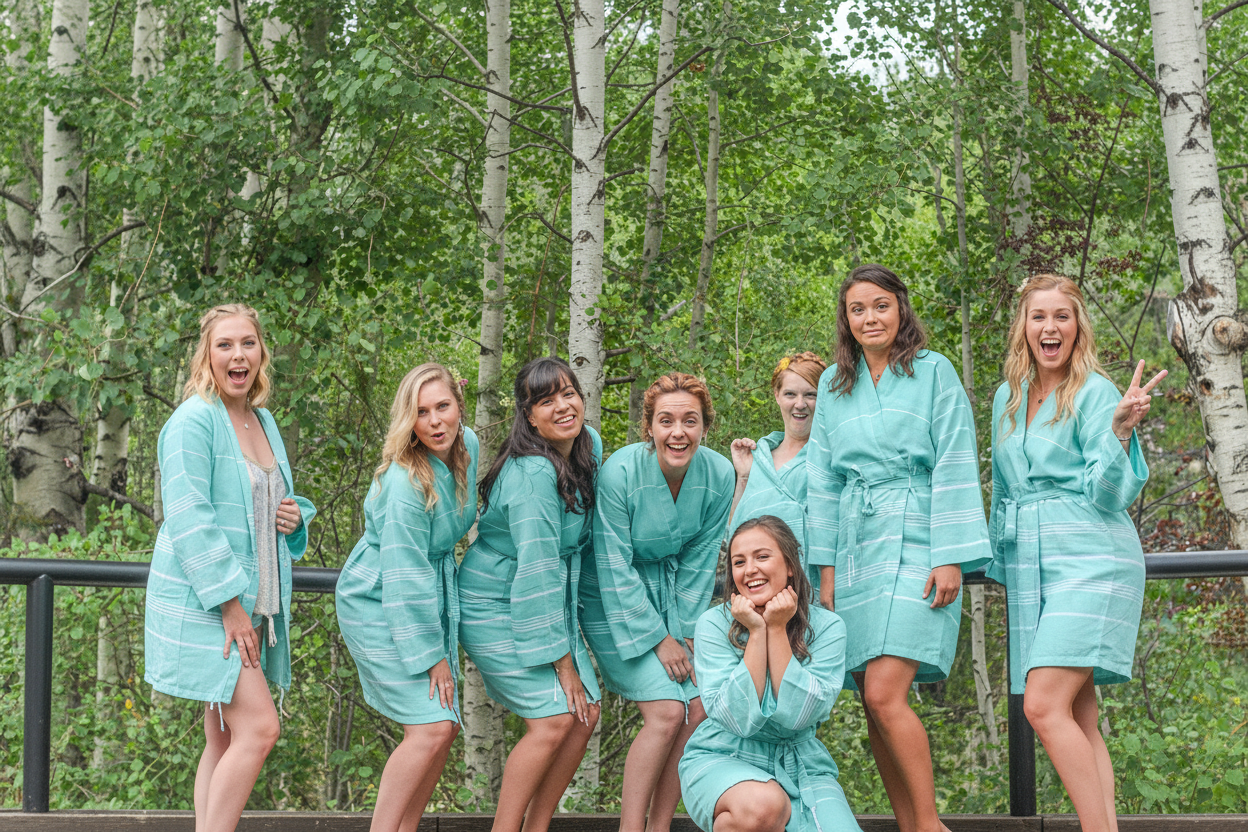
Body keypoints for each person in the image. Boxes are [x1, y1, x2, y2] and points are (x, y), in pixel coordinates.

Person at [806, 264, 991, 832]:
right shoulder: (835, 385)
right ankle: (910, 824)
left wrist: (950, 554)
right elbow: (822, 480)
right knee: (869, 699)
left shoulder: (934, 373)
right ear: (846, 319)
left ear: (901, 309)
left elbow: (958, 459)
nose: (869, 318)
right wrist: (826, 572)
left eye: (880, 305)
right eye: (857, 309)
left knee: (887, 693)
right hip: (858, 545)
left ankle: (930, 823)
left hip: (921, 533)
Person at [987, 274, 1164, 832]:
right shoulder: (1007, 397)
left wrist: (1116, 433)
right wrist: (997, 564)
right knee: (1079, 716)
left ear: (1077, 325)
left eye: (1061, 316)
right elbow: (1003, 489)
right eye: (1039, 316)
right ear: (1024, 327)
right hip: (1033, 561)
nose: (1050, 327)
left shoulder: (1095, 392)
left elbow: (1108, 496)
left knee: (1041, 705)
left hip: (1092, 554)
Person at [144, 304, 316, 832]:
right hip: (214, 605)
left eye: (248, 343)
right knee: (261, 730)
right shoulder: (192, 421)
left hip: (252, 605)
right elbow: (190, 517)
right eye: (225, 345)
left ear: (262, 352)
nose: (237, 355)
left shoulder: (261, 419)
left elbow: (262, 499)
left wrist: (294, 513)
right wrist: (231, 608)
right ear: (207, 356)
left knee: (222, 737)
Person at [579, 372, 735, 832]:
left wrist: (685, 630)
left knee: (700, 707)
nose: (678, 432)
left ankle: (660, 824)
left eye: (690, 421)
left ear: (705, 426)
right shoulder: (620, 472)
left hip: (673, 601)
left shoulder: (719, 473)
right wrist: (659, 639)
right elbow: (611, 561)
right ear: (648, 427)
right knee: (667, 711)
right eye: (666, 421)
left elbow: (702, 559)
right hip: (611, 598)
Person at [458, 357, 602, 832]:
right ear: (529, 415)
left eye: (569, 393)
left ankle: (537, 826)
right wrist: (564, 663)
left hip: (543, 604)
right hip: (492, 603)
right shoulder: (533, 475)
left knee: (584, 715)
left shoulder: (586, 447)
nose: (563, 407)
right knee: (555, 719)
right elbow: (537, 569)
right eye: (546, 401)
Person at [336, 363, 478, 832]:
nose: (436, 421)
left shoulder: (468, 449)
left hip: (424, 594)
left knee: (445, 726)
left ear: (459, 405)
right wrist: (432, 656)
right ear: (408, 421)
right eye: (422, 412)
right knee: (431, 726)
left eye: (443, 407)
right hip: (379, 599)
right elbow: (404, 573)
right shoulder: (404, 483)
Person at [679, 515, 860, 832]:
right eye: (739, 561)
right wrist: (756, 632)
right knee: (764, 807)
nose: (749, 570)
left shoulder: (829, 628)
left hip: (802, 763)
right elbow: (735, 718)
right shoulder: (712, 625)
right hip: (723, 754)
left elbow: (800, 715)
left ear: (790, 564)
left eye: (762, 556)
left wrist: (776, 628)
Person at [728, 352, 827, 592]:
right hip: (754, 586)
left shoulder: (829, 457)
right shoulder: (760, 457)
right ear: (777, 396)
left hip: (807, 587)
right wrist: (743, 477)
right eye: (790, 394)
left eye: (810, 395)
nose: (800, 404)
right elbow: (733, 533)